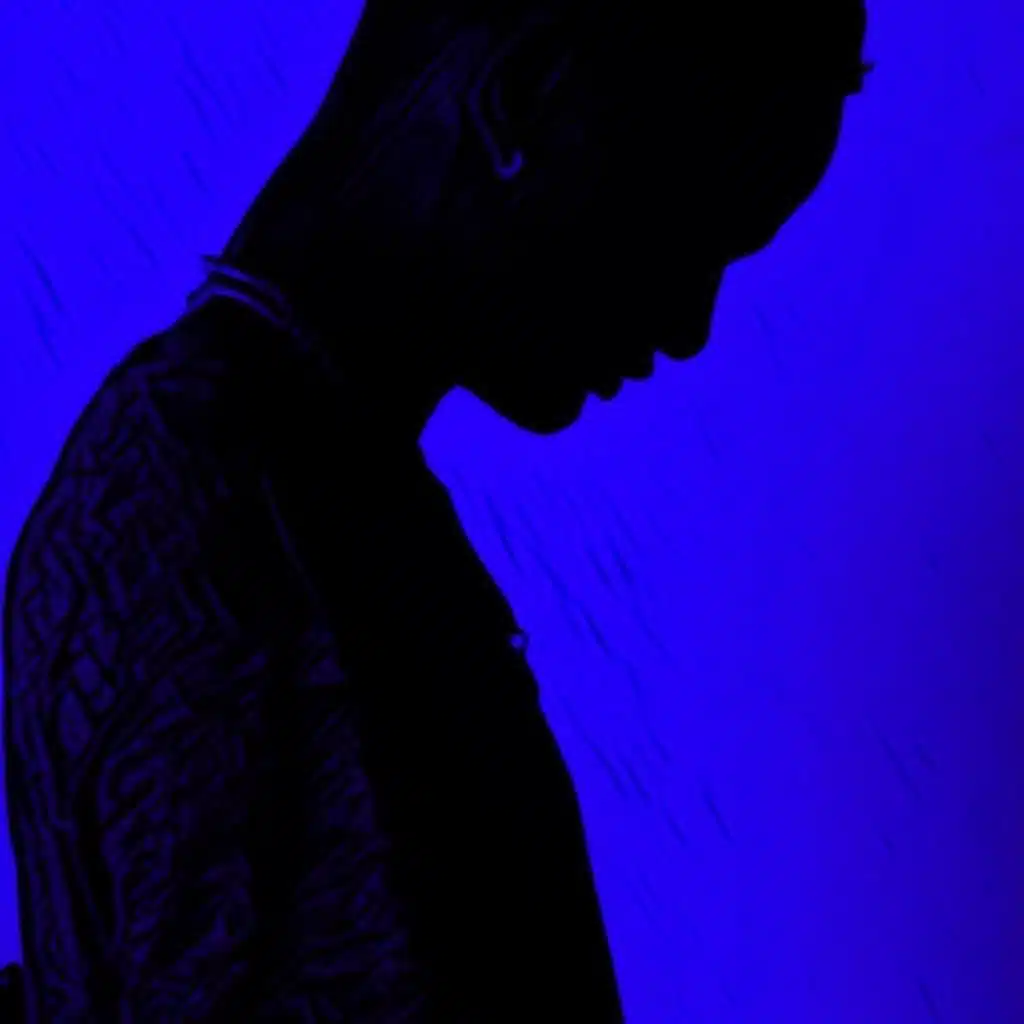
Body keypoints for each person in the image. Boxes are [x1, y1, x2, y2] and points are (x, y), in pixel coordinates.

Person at [3, 0, 870, 1019]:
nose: (690, 325)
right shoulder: (258, 539)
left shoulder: (243, 478)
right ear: (523, 98)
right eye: (682, 225)